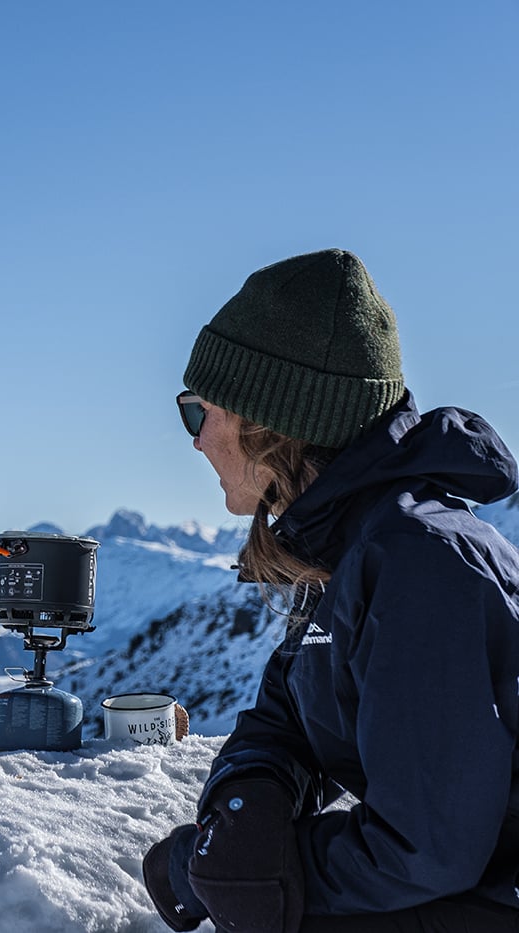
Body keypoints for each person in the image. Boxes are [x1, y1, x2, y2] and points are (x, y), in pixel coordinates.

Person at [140, 249, 519, 932]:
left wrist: (252, 871)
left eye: (200, 413)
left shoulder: (418, 564)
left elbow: (425, 848)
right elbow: (289, 706)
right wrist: (247, 794)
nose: (195, 442)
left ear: (270, 421)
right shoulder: (343, 544)